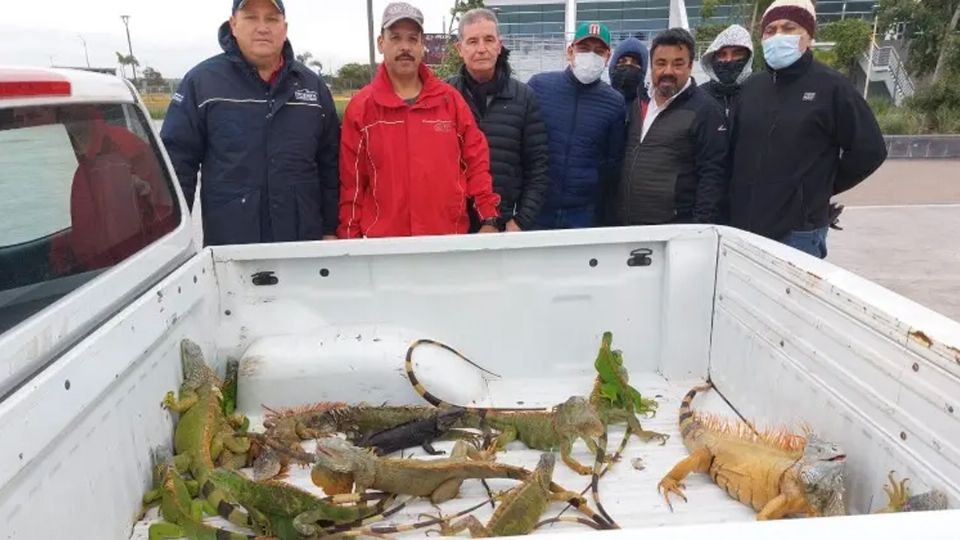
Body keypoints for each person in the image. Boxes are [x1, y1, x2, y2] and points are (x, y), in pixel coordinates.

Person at [161, 0, 340, 246]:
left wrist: (330, 229)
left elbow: (331, 164)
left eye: (271, 19)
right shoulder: (201, 83)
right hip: (232, 245)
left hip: (302, 243)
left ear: (284, 28)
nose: (262, 27)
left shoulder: (313, 87)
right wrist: (173, 242)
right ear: (233, 24)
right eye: (251, 17)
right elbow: (178, 165)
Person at [729, 0, 887, 258]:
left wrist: (819, 188)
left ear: (809, 36)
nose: (778, 36)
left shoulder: (833, 88)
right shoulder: (750, 88)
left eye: (789, 28)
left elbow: (869, 150)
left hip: (798, 232)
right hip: (744, 225)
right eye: (770, 30)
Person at [337, 2, 500, 239]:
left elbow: (476, 162)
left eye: (413, 39)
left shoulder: (449, 101)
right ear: (381, 43)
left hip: (445, 242)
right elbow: (351, 186)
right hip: (384, 247)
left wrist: (489, 218)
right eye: (396, 38)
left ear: (423, 45)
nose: (405, 47)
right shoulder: (361, 108)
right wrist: (348, 244)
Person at [610, 28, 728, 226]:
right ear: (652, 66)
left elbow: (712, 176)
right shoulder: (638, 101)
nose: (668, 71)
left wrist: (698, 229)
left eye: (678, 64)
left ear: (690, 66)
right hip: (627, 225)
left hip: (673, 229)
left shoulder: (705, 110)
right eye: (661, 63)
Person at [447, 8, 548, 233]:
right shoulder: (443, 97)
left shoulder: (524, 97)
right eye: (472, 41)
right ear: (459, 49)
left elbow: (538, 168)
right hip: (453, 229)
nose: (481, 49)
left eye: (489, 39)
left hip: (505, 228)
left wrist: (520, 221)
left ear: (499, 45)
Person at [50, 105, 177, 274]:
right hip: (92, 272)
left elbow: (162, 217)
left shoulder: (126, 148)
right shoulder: (70, 155)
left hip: (128, 272)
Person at [527, 23, 625, 229]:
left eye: (599, 51)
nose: (591, 55)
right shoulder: (539, 86)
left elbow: (612, 160)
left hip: (583, 213)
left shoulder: (614, 102)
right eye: (584, 48)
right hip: (537, 208)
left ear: (608, 57)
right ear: (570, 51)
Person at [698, 24, 753, 121]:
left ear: (748, 57)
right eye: (722, 54)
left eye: (737, 54)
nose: (728, 60)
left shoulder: (761, 92)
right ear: (712, 58)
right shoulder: (699, 96)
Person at [609, 36, 650, 109]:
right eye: (623, 61)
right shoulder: (599, 101)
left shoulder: (651, 107)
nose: (628, 65)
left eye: (634, 62)